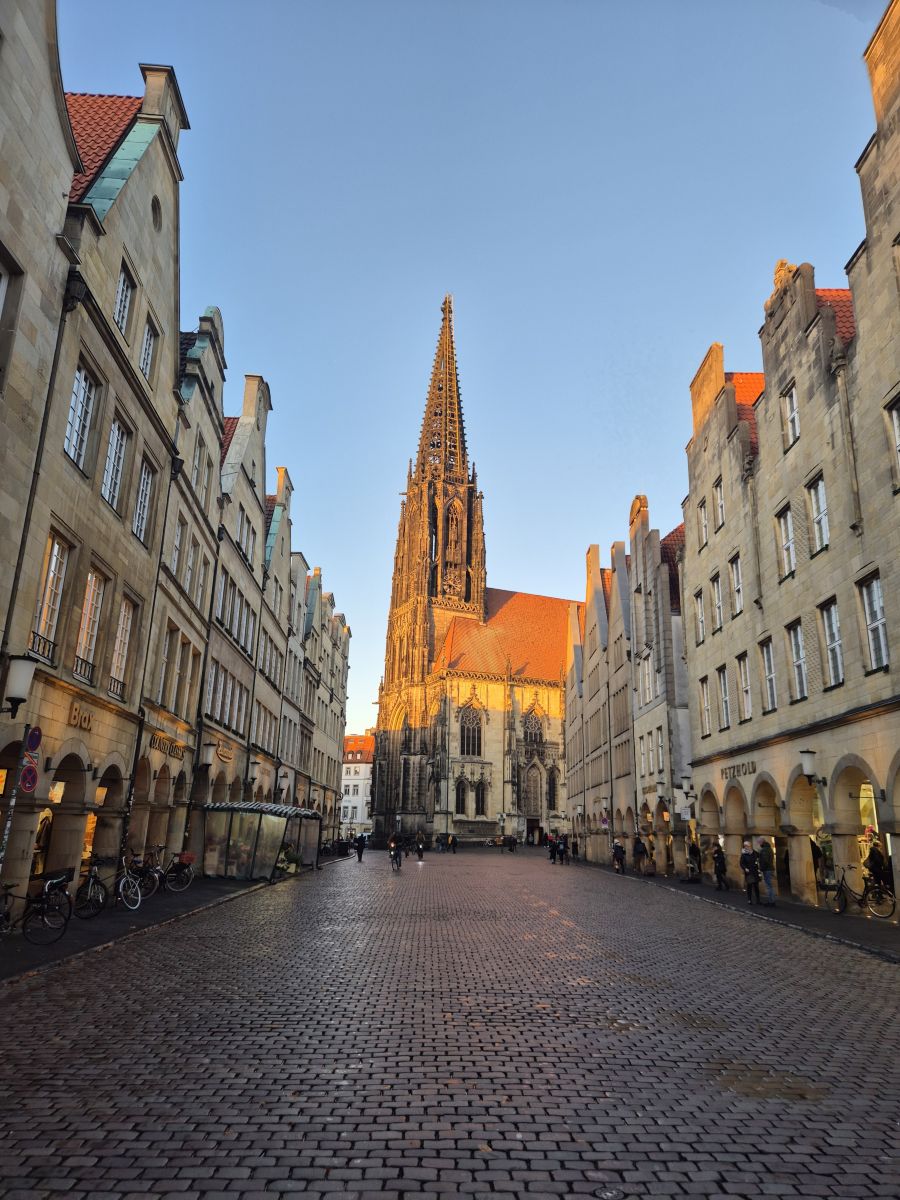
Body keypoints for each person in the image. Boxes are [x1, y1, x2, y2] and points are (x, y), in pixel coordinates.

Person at [740, 840, 761, 904]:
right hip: (749, 872)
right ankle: (749, 900)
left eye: (747, 845)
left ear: (750, 846)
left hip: (755, 872)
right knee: (749, 886)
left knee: (756, 887)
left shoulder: (755, 853)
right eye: (745, 846)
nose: (746, 847)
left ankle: (758, 900)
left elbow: (759, 860)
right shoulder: (744, 855)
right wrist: (745, 868)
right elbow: (741, 863)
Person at [758, 838, 776, 905]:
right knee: (770, 885)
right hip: (769, 869)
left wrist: (762, 868)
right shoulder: (769, 848)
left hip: (767, 869)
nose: (759, 844)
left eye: (759, 843)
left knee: (769, 886)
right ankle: (771, 900)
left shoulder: (764, 850)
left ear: (762, 842)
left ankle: (771, 901)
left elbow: (765, 860)